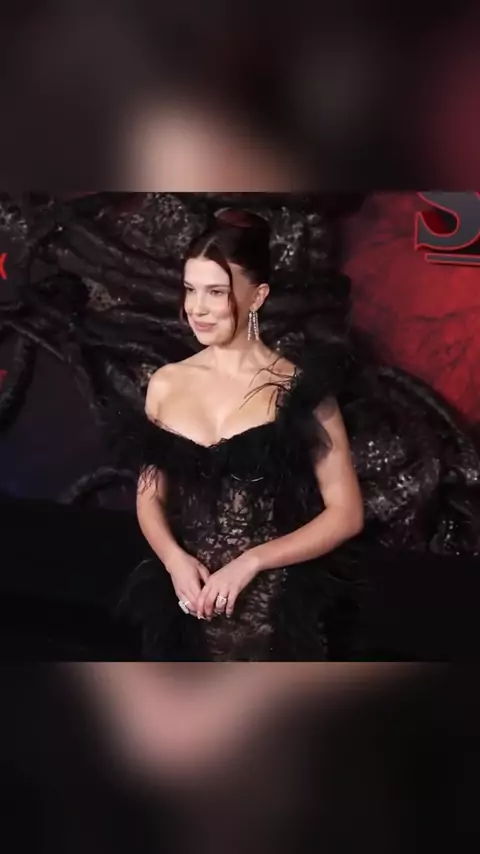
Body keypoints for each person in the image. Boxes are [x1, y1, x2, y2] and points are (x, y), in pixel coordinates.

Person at [119, 208, 364, 661]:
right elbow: (149, 497)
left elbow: (346, 513)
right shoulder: (166, 383)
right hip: (187, 604)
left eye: (216, 292)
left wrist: (252, 561)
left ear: (258, 296)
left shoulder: (300, 391)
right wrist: (173, 560)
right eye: (190, 289)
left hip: (272, 611)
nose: (196, 308)